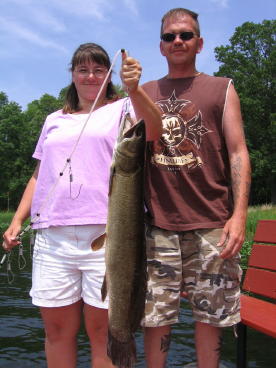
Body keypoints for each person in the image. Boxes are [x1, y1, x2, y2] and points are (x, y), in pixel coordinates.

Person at [2, 43, 161, 368]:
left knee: (104, 330)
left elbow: (155, 130)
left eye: (99, 69)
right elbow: (39, 174)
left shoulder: (125, 108)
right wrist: (17, 218)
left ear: (109, 74)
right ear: (72, 75)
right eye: (83, 69)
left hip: (110, 236)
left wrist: (135, 89)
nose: (91, 76)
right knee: (57, 330)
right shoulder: (53, 120)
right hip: (52, 238)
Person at [141, 8, 251, 368]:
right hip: (157, 225)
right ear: (160, 46)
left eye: (185, 35)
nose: (177, 41)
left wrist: (238, 215)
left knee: (211, 318)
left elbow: (237, 152)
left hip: (211, 224)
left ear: (199, 43)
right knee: (155, 319)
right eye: (170, 36)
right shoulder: (143, 92)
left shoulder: (222, 87)